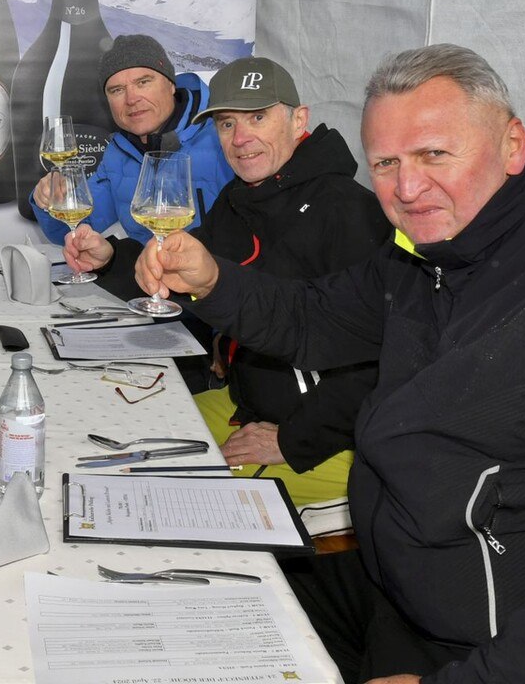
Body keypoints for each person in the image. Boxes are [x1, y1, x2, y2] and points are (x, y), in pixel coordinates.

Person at [135, 45, 525, 684]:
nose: (407, 187)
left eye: (434, 154)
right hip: (392, 596)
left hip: (495, 650)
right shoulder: (429, 253)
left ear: (512, 144)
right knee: (181, 619)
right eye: (386, 162)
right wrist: (213, 280)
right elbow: (311, 318)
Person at [65, 56, 389, 508]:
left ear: (299, 120)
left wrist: (294, 441)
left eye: (258, 117)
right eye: (226, 123)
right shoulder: (239, 200)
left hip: (330, 440)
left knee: (166, 497)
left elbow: (379, 363)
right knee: (119, 442)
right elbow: (183, 272)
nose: (240, 138)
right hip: (247, 408)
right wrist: (109, 260)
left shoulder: (350, 212)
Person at [31, 33, 232, 244]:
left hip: (217, 274)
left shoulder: (223, 138)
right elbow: (71, 231)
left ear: (171, 85)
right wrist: (48, 199)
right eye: (117, 90)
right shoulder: (117, 153)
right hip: (146, 274)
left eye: (143, 82)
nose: (132, 99)